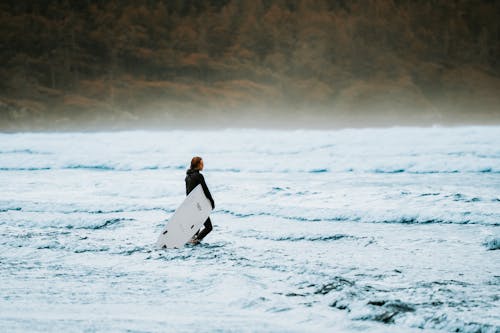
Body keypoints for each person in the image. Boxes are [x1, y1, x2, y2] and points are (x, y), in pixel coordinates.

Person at [185, 156, 215, 244]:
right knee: (209, 227)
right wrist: (211, 202)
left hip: (192, 206)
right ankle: (195, 242)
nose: (203, 166)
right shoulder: (199, 176)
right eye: (202, 164)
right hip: (199, 207)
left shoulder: (187, 177)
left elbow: (188, 194)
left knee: (197, 227)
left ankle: (191, 240)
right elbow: (206, 190)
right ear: (197, 165)